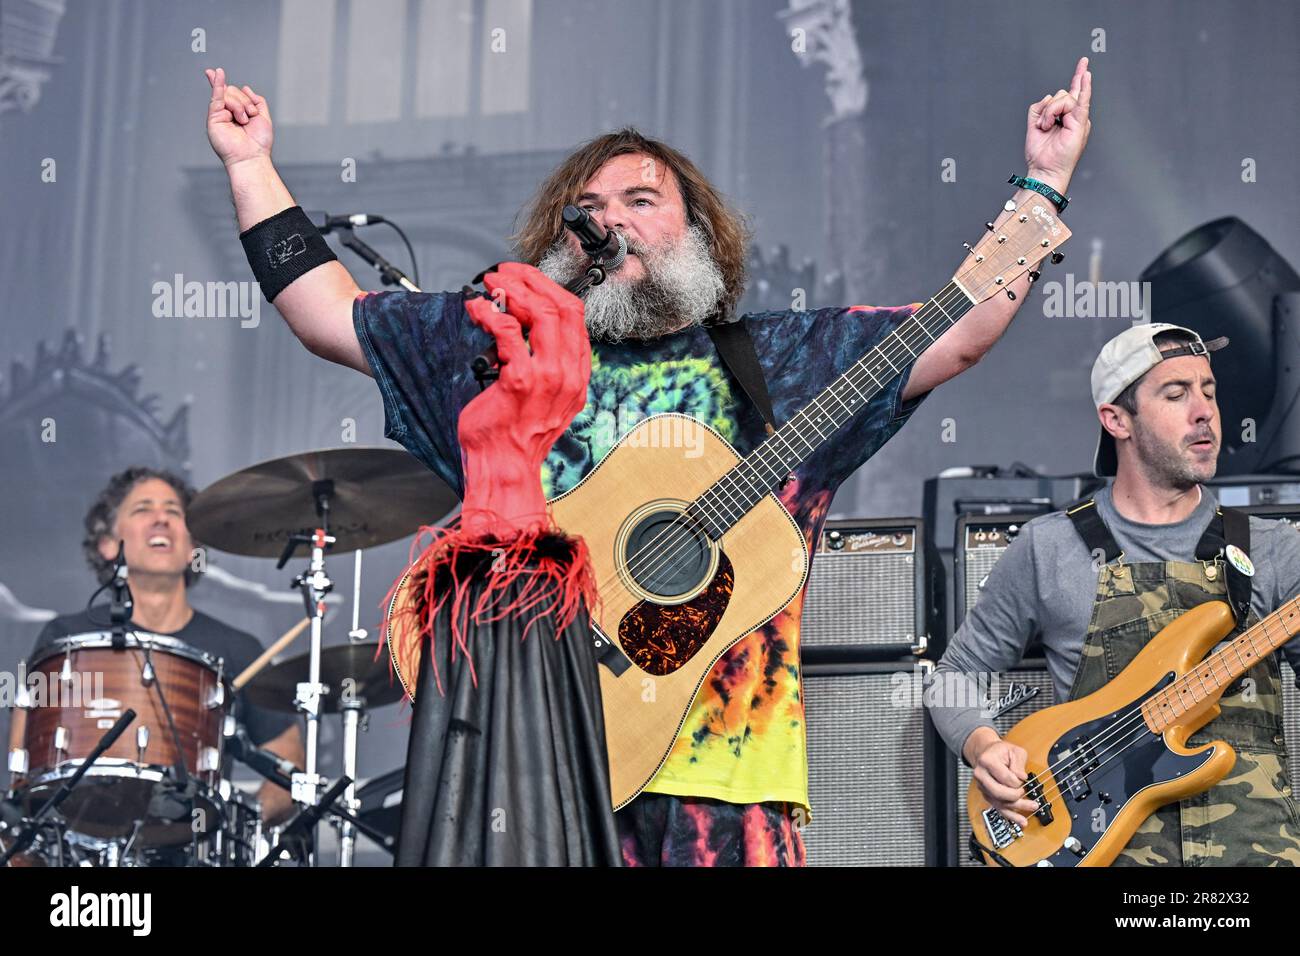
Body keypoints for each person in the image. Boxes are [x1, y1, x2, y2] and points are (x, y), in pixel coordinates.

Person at [202, 57, 1091, 866]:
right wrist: (251, 168)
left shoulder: (783, 362)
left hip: (727, 784)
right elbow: (329, 314)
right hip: (535, 771)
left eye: (640, 200)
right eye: (587, 211)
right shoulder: (505, 352)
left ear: (696, 228)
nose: (611, 221)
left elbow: (961, 328)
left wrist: (1042, 184)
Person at [928, 324, 1300, 866]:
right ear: (1117, 420)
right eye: (1176, 395)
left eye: (1210, 392)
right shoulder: (1050, 546)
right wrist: (985, 747)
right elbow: (952, 677)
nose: (1205, 412)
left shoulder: (1272, 547)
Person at [7, 468, 305, 826]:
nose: (161, 519)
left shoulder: (238, 648)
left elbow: (289, 766)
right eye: (142, 509)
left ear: (193, 546)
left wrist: (241, 830)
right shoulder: (67, 637)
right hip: (80, 841)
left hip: (193, 844)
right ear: (107, 543)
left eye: (174, 512)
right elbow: (23, 750)